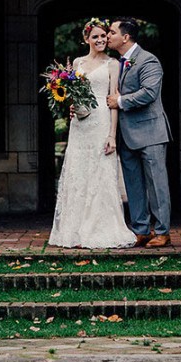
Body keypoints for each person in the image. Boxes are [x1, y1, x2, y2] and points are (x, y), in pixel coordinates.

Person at [49, 18, 136, 249]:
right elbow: (73, 93)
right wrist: (71, 106)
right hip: (80, 124)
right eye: (95, 36)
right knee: (79, 171)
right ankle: (74, 230)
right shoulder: (77, 62)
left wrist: (111, 135)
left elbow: (113, 100)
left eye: (103, 36)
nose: (101, 40)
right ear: (86, 38)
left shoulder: (112, 64)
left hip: (101, 121)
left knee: (100, 173)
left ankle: (99, 227)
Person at [106, 18, 172, 247]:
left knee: (157, 184)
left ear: (125, 37)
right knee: (133, 185)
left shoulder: (148, 60)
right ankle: (141, 230)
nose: (107, 36)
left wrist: (120, 101)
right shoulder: (118, 62)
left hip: (151, 133)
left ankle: (162, 232)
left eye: (112, 32)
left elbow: (149, 93)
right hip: (127, 135)